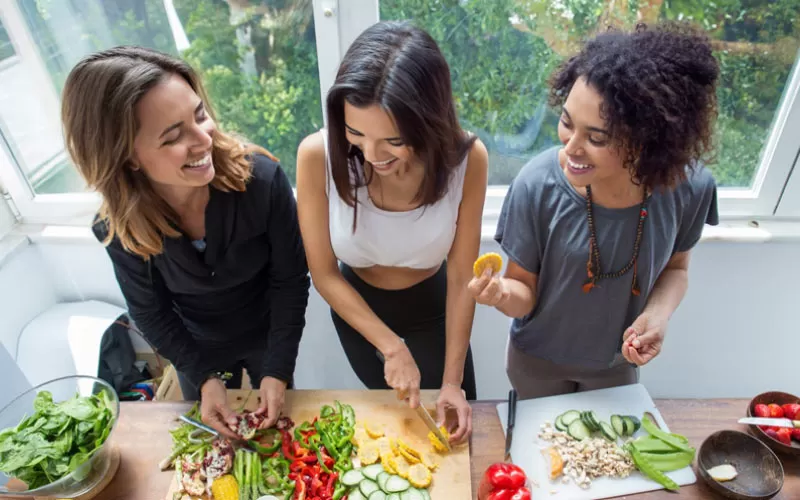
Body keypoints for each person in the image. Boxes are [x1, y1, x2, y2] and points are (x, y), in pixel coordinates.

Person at [62, 46, 310, 438]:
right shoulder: (120, 227)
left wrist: (278, 368)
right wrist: (204, 376)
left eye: (200, 116)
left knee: (279, 425)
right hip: (196, 345)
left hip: (268, 330)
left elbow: (290, 280)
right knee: (213, 438)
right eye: (173, 136)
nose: (203, 140)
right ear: (128, 157)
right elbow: (151, 312)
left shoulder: (263, 181)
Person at [468, 22, 720, 399]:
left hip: (616, 366)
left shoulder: (689, 188)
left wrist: (657, 315)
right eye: (567, 122)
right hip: (536, 362)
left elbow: (677, 270)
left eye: (597, 137)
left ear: (648, 139)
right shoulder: (535, 185)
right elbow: (524, 292)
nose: (571, 149)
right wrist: (499, 293)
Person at [295, 21, 488, 443]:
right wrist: (391, 346)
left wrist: (453, 380)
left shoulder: (466, 161)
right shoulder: (316, 155)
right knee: (400, 434)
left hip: (436, 308)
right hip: (360, 313)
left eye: (393, 140)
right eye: (356, 133)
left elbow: (460, 278)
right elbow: (324, 274)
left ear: (428, 123)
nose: (371, 154)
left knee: (454, 429)